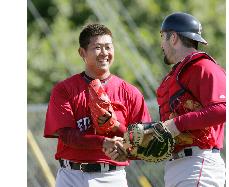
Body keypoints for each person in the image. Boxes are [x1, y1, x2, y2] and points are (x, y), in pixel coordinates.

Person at [105, 12, 226, 187]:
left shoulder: (204, 67)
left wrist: (176, 124)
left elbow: (224, 109)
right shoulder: (178, 74)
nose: (161, 44)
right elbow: (168, 136)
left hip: (198, 164)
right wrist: (131, 151)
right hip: (179, 166)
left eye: (163, 37)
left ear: (174, 37)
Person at [44, 23, 151, 187]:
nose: (105, 53)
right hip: (71, 176)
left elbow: (144, 140)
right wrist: (103, 142)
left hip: (111, 177)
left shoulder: (130, 92)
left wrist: (117, 130)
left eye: (108, 47)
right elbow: (66, 136)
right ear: (82, 52)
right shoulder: (64, 90)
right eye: (97, 47)